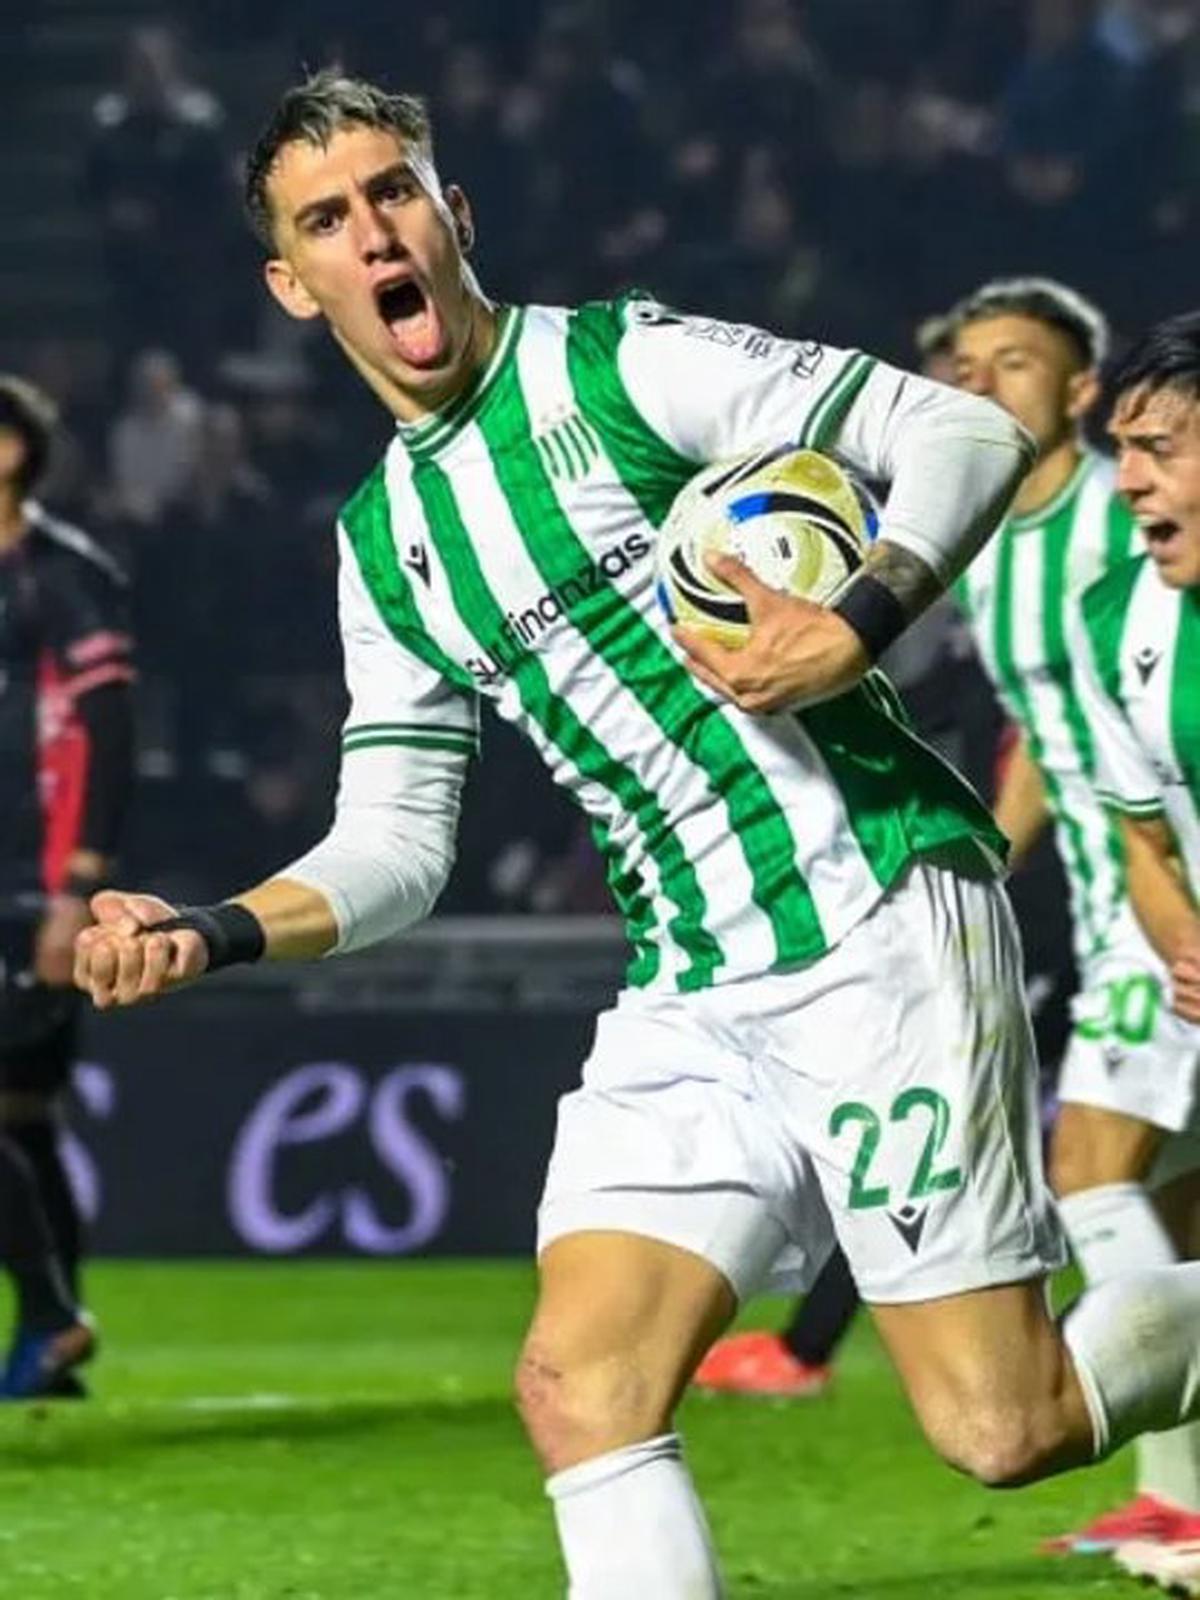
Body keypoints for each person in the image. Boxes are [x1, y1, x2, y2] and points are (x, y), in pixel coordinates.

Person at [73, 75, 1200, 1597]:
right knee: (580, 1386)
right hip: (688, 993)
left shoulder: (618, 367)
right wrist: (207, 927)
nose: (374, 233)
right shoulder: (381, 546)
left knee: (1008, 1428)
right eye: (327, 220)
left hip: (871, 918)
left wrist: (858, 624)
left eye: (394, 192)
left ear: (452, 213)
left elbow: (952, 427)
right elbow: (399, 845)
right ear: (293, 284)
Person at [951, 279, 1200, 1559]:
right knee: (1145, 1194)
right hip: (1139, 914)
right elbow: (1078, 759)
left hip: (1143, 924)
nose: (984, 384)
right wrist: (988, 860)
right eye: (968, 365)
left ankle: (1180, 1491)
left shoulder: (1115, 536)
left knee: (1093, 1177)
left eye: (1016, 362)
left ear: (1080, 391)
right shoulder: (1008, 554)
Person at [1069, 309, 1200, 1593]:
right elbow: (1145, 837)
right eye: (1123, 452)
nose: (1133, 482)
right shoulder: (1123, 620)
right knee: (1134, 1198)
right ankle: (1183, 1503)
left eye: (1157, 448)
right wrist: (1182, 944)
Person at [0, 376, 135, 1398]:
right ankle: (51, 1342)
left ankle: (50, 1316)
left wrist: (74, 890)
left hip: (32, 888)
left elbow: (105, 739)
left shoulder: (64, 578)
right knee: (25, 1120)